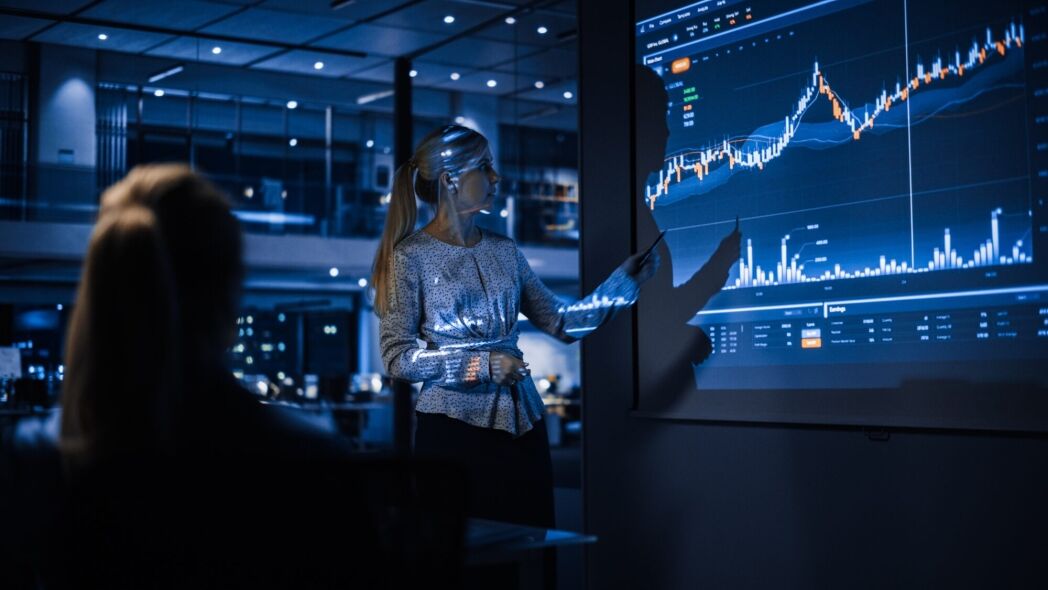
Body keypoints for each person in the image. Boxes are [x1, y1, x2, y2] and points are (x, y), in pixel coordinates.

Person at [372, 124, 659, 530]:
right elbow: (398, 358)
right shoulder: (410, 257)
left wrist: (623, 284)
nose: (496, 177)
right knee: (464, 559)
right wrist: (481, 365)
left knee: (532, 552)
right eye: (485, 167)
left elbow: (560, 322)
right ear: (451, 179)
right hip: (452, 434)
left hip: (525, 427)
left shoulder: (506, 250)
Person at [633, 64, 742, 412]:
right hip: (656, 402)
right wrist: (719, 265)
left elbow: (655, 310)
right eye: (659, 117)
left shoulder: (635, 211)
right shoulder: (627, 218)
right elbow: (646, 320)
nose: (667, 131)